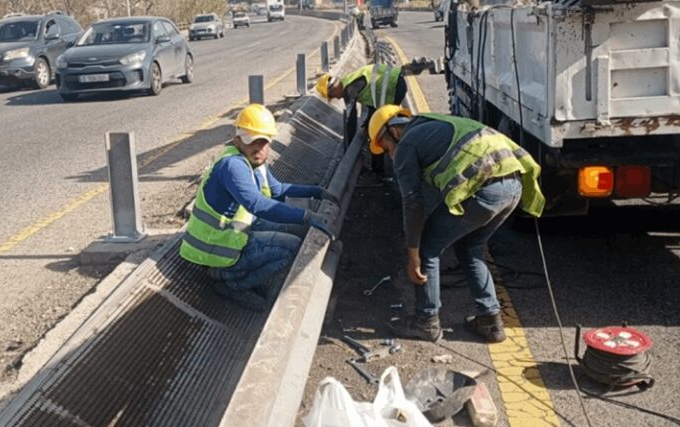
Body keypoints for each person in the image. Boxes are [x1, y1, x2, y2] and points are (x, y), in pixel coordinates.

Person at [367, 105, 545, 343]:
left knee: (427, 248)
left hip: (485, 190)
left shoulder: (406, 145)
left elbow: (412, 202)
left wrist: (413, 254)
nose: (389, 154)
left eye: (385, 146)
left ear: (393, 132)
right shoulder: (435, 124)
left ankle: (426, 321)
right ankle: (490, 321)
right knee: (469, 247)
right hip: (512, 186)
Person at [180, 104, 337, 311]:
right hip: (215, 249)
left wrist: (315, 191)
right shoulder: (232, 165)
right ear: (238, 140)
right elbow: (257, 204)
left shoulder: (254, 161)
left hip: (233, 234)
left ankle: (242, 275)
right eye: (253, 141)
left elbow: (278, 189)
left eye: (264, 142)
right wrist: (307, 216)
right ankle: (230, 283)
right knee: (290, 246)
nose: (259, 147)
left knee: (296, 230)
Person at [316, 64, 407, 175]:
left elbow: (351, 119)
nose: (336, 98)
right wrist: (367, 124)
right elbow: (372, 104)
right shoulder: (349, 82)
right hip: (395, 83)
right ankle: (381, 167)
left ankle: (382, 170)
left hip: (394, 86)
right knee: (379, 127)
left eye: (332, 96)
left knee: (380, 131)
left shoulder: (349, 89)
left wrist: (349, 148)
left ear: (334, 88)